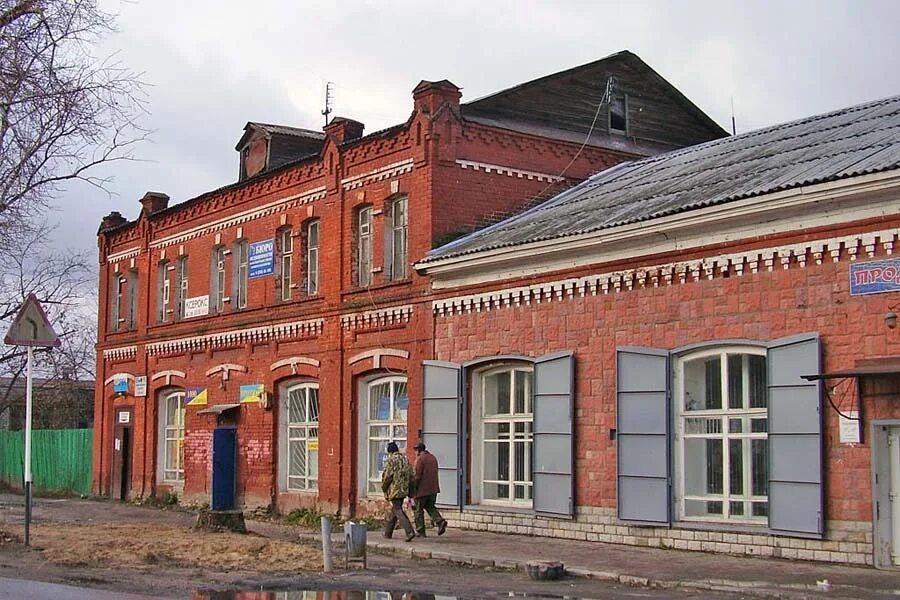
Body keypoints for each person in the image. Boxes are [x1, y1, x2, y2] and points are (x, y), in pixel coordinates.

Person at [381, 441, 416, 542]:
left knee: (398, 510)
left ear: (390, 451)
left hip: (395, 490)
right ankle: (388, 532)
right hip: (404, 489)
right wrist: (410, 491)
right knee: (395, 510)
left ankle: (409, 532)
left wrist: (384, 487)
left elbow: (388, 476)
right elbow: (411, 475)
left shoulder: (391, 460)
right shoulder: (404, 459)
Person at [411, 441, 447, 537]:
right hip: (433, 489)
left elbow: (417, 476)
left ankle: (420, 531)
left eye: (416, 450)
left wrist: (413, 489)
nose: (415, 453)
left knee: (418, 510)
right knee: (430, 506)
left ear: (418, 450)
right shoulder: (432, 457)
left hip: (422, 490)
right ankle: (440, 521)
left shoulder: (420, 460)